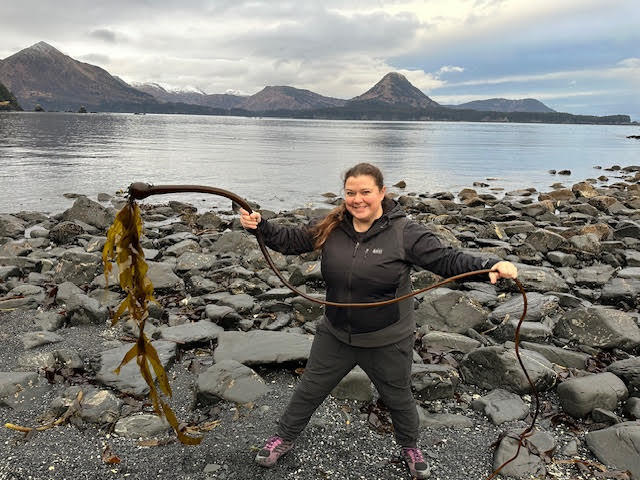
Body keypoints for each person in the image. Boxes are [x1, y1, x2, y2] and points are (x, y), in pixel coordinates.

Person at [240, 163, 517, 479]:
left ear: (382, 193)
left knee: (398, 397)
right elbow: (291, 240)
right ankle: (283, 438)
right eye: (350, 193)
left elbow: (448, 259)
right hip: (336, 334)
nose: (357, 199)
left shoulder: (405, 232)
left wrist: (490, 264)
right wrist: (260, 226)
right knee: (309, 390)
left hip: (386, 338)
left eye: (365, 192)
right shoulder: (332, 226)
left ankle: (410, 447)